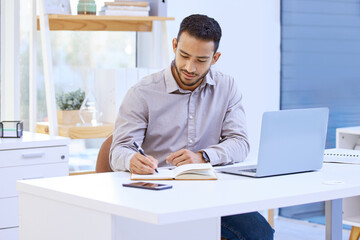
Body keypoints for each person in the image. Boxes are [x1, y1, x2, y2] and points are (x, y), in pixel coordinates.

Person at [110, 14, 274, 240]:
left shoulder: (227, 87)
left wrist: (203, 156)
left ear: (215, 58)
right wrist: (131, 160)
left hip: (210, 194)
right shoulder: (142, 92)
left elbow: (240, 143)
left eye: (201, 60)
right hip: (158, 195)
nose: (190, 67)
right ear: (175, 45)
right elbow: (118, 150)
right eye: (184, 55)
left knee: (259, 232)